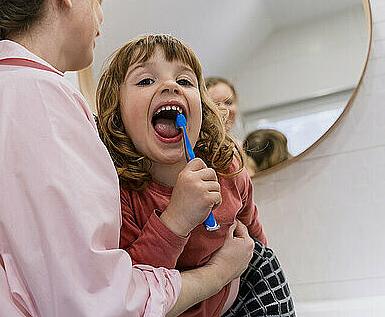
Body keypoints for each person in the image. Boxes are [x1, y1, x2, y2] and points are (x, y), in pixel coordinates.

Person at [0, 0, 254, 317]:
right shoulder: (36, 98)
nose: (101, 22)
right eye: (98, 0)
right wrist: (221, 272)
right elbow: (94, 303)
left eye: (184, 80)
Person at [96, 34, 295, 316]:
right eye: (145, 80)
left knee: (263, 258)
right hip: (171, 308)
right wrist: (177, 218)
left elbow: (252, 236)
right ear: (117, 113)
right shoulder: (120, 191)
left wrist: (250, 254)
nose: (170, 85)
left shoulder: (227, 167)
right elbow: (134, 289)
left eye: (185, 81)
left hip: (240, 295)